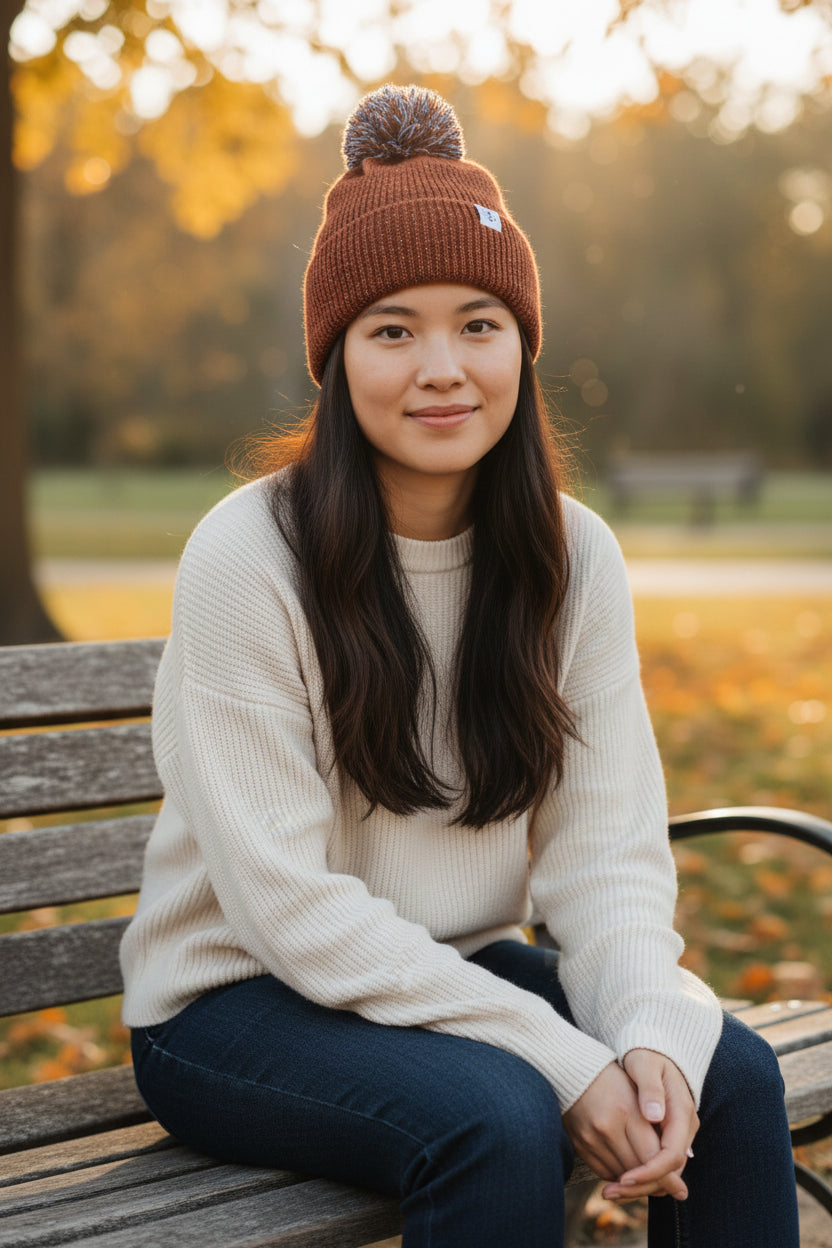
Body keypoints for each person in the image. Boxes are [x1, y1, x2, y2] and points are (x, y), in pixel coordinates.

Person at [121, 83, 799, 1247]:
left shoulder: (570, 557)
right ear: (337, 357)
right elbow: (288, 909)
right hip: (235, 1001)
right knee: (497, 1116)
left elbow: (608, 857)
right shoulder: (250, 552)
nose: (442, 366)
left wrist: (642, 1036)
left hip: (449, 972)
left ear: (521, 347)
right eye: (393, 330)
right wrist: (555, 1054)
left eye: (477, 323)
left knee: (722, 1077)